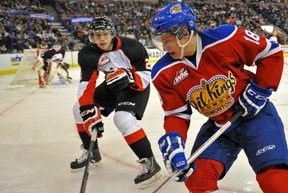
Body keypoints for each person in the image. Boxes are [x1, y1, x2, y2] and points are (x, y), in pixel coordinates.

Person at [150, 2, 288, 193]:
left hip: (256, 117)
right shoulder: (162, 71)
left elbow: (271, 53)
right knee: (198, 179)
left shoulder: (225, 37)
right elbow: (177, 114)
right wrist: (175, 141)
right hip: (220, 127)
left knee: (274, 179)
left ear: (183, 33)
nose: (164, 48)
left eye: (166, 40)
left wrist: (260, 89)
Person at [71, 16, 163, 189]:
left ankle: (151, 163)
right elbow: (86, 84)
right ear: (92, 37)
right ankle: (92, 152)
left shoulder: (132, 47)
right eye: (97, 35)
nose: (101, 39)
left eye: (104, 34)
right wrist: (88, 110)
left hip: (134, 86)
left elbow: (146, 75)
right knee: (78, 110)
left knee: (123, 119)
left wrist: (129, 77)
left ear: (112, 33)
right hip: (112, 85)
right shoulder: (88, 54)